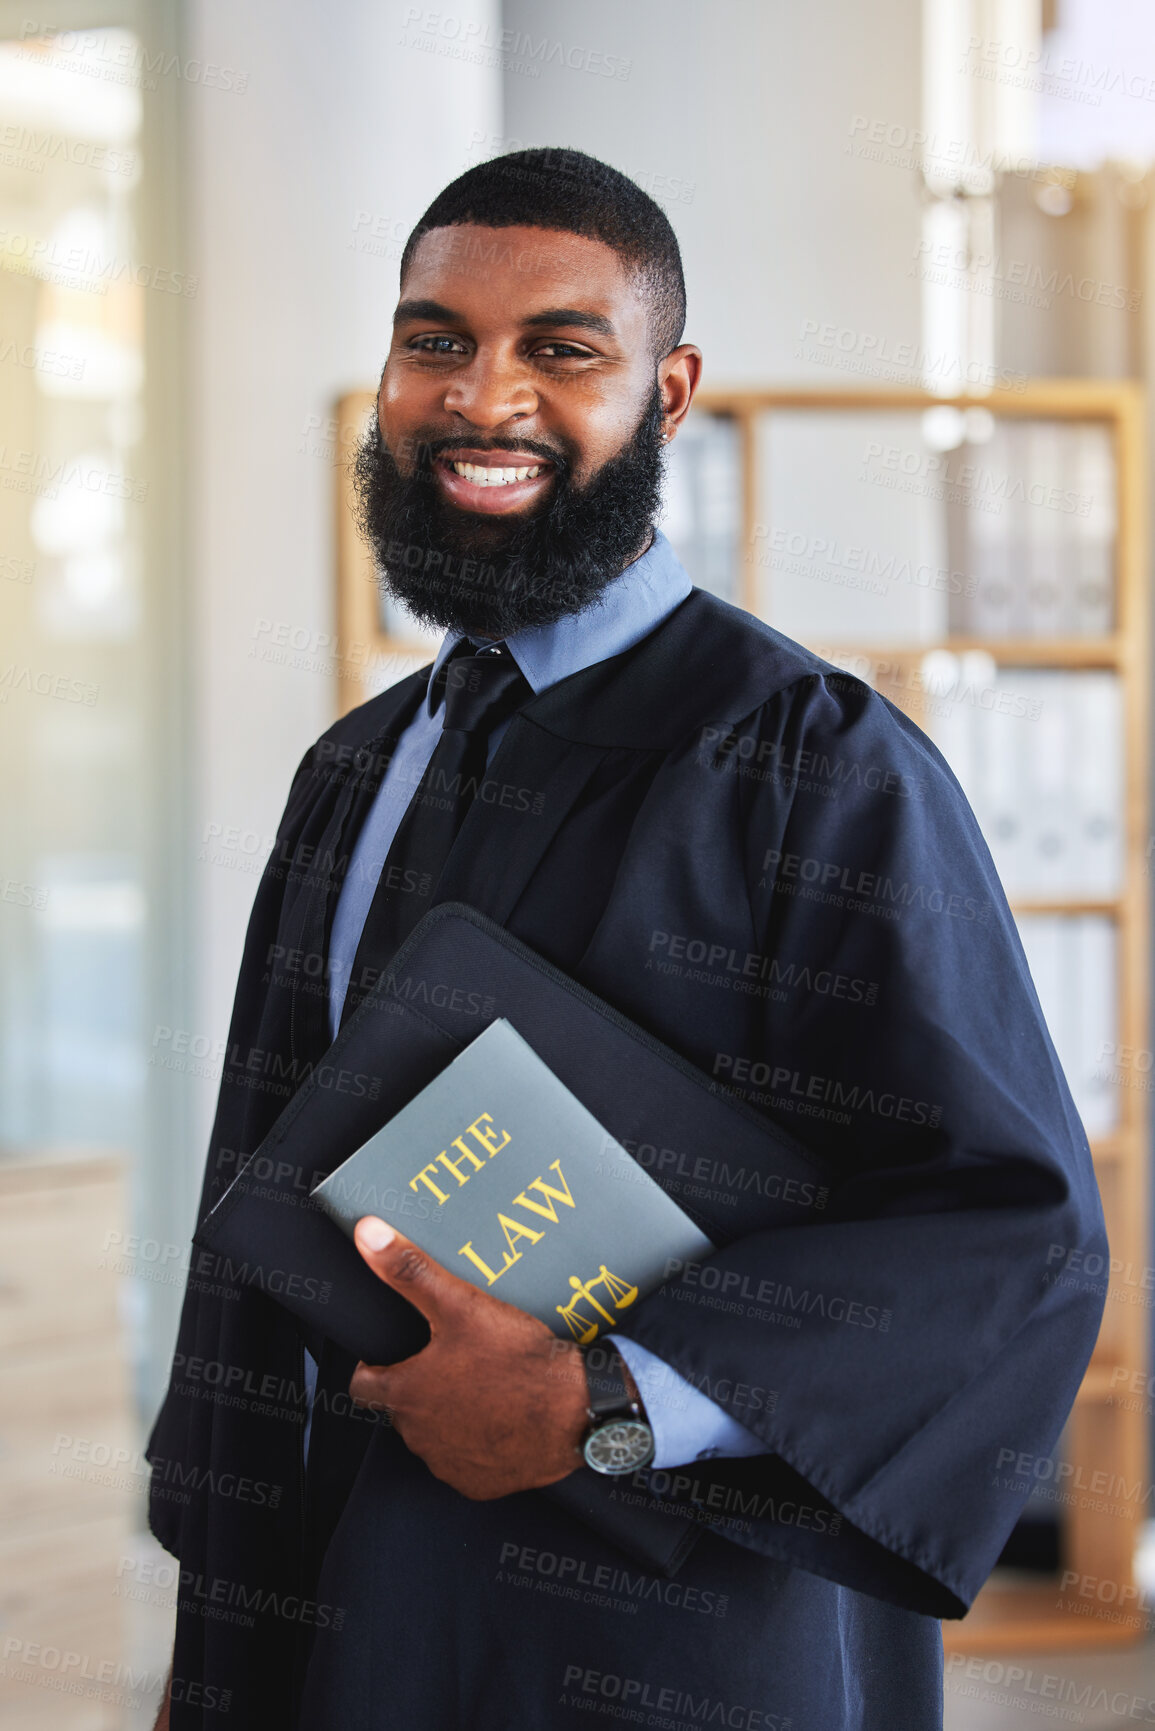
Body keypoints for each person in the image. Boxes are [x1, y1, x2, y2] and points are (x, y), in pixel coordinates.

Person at [147, 148, 1106, 1731]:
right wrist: (212, 1637)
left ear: (668, 395)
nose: (483, 394)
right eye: (435, 339)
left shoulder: (814, 761)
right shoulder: (358, 770)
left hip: (669, 1635)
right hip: (337, 1602)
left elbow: (1005, 1232)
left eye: (561, 349)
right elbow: (256, 1208)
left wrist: (604, 1405)